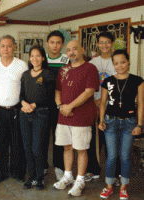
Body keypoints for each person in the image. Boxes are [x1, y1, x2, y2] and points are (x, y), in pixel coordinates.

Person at [53, 40, 99, 197]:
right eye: (68, 50)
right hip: (63, 115)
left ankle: (80, 180)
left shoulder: (90, 68)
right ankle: (67, 176)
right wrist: (61, 106)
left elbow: (89, 92)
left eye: (75, 49)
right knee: (66, 147)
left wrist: (70, 106)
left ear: (82, 50)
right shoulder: (63, 70)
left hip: (82, 115)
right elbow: (57, 90)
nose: (71, 52)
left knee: (81, 149)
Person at [99, 50, 144, 199]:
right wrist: (101, 121)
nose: (120, 66)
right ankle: (109, 186)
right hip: (110, 122)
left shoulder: (138, 80)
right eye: (116, 63)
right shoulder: (108, 81)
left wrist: (139, 125)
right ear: (113, 64)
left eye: (123, 62)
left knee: (125, 156)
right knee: (111, 156)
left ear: (128, 62)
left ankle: (124, 187)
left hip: (129, 123)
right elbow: (103, 103)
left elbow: (142, 104)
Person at [0, 35, 27, 183]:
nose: (6, 49)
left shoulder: (22, 65)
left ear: (15, 47)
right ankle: (1, 172)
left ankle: (17, 172)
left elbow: (26, 87)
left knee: (17, 142)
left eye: (9, 46)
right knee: (0, 143)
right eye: (3, 46)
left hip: (17, 110)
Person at [19, 45, 55, 190]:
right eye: (32, 56)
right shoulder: (25, 75)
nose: (35, 58)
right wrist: (23, 103)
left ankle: (40, 178)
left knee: (37, 148)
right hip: (24, 114)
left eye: (38, 55)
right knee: (27, 148)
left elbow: (50, 97)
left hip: (41, 114)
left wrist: (33, 105)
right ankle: (31, 177)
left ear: (43, 58)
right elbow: (21, 94)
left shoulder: (48, 74)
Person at [86, 32, 118, 182]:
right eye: (101, 42)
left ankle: (116, 173)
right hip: (94, 106)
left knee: (112, 142)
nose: (104, 45)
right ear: (97, 44)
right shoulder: (93, 63)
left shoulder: (117, 61)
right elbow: (87, 86)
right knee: (93, 140)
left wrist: (104, 102)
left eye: (107, 42)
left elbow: (120, 85)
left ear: (112, 43)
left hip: (112, 107)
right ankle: (93, 170)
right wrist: (95, 101)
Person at [46, 30, 69, 180]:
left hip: (60, 105)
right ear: (47, 44)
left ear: (62, 45)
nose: (55, 46)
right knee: (41, 137)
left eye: (58, 43)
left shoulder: (67, 60)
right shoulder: (41, 59)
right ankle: (41, 166)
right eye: (52, 42)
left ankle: (59, 166)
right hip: (42, 104)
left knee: (59, 137)